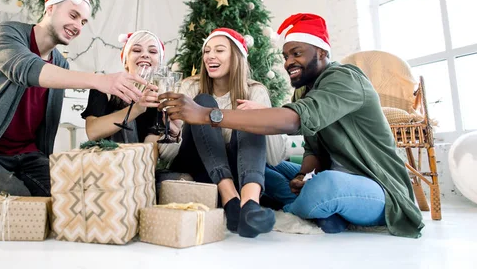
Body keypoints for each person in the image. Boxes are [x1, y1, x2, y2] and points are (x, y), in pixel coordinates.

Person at [160, 14, 424, 238]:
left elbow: (295, 119)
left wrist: (208, 115)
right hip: (326, 169)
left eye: (297, 53)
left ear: (322, 52)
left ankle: (294, 209)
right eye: (286, 55)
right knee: (267, 168)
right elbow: (313, 151)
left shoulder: (346, 78)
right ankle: (278, 209)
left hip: (374, 183)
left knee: (325, 186)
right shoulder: (304, 92)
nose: (288, 63)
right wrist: (303, 174)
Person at [0, 0, 146, 198]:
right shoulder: (8, 34)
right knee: (18, 205)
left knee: (72, 201)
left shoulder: (61, 63)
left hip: (28, 158)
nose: (78, 26)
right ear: (50, 7)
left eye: (83, 22)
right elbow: (27, 69)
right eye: (73, 15)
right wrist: (99, 80)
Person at [167, 28, 288, 238]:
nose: (210, 56)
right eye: (207, 51)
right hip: (197, 167)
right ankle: (230, 199)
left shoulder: (255, 91)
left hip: (239, 171)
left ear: (236, 56)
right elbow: (167, 155)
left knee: (249, 117)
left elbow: (275, 158)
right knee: (203, 103)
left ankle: (249, 205)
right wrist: (175, 131)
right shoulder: (190, 87)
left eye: (219, 50)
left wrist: (264, 115)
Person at [81, 30, 180, 148]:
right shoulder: (106, 87)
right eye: (137, 50)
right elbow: (93, 133)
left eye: (153, 51)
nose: (145, 55)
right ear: (126, 61)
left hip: (145, 162)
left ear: (159, 63)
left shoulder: (161, 98)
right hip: (109, 161)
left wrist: (176, 134)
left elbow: (155, 145)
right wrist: (137, 108)